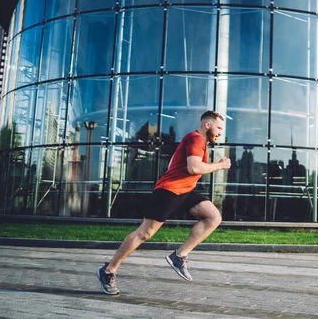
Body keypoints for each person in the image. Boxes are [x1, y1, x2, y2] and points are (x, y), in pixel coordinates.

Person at [96, 110, 231, 295]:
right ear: (208, 125)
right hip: (169, 191)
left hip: (185, 190)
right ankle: (108, 270)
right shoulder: (196, 139)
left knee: (213, 217)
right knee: (144, 233)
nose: (220, 132)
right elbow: (194, 167)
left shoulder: (199, 142)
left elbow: (176, 166)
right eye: (219, 127)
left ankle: (179, 256)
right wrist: (220, 165)